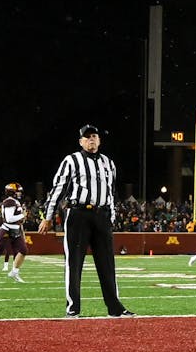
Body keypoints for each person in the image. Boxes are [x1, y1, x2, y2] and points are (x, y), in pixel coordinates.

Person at [39, 125, 134, 317]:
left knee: (107, 263)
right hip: (78, 215)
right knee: (74, 262)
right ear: (81, 141)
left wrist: (111, 217)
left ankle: (114, 307)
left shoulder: (109, 163)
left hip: (102, 215)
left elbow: (111, 192)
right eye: (87, 137)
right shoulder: (72, 160)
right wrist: (48, 217)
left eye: (94, 136)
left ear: (99, 140)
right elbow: (58, 189)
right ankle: (73, 308)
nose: (91, 139)